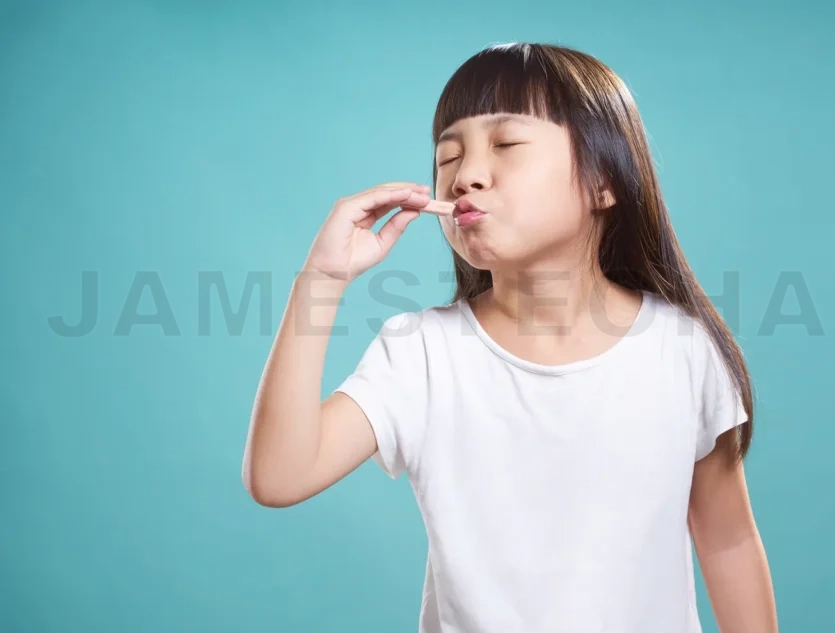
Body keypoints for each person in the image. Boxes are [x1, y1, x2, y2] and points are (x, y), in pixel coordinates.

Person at [243, 42, 778, 633]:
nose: (465, 175)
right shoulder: (422, 354)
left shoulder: (682, 349)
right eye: (448, 157)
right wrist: (320, 280)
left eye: (507, 145)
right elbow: (279, 476)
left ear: (605, 181)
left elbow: (728, 542)